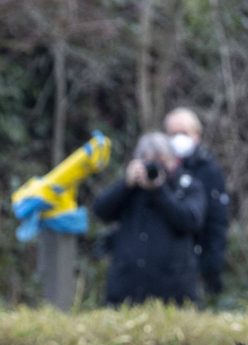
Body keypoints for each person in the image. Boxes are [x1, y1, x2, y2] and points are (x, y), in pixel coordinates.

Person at [93, 132, 206, 307]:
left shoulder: (186, 186)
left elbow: (190, 220)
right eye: (150, 161)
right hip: (126, 292)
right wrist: (125, 184)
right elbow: (100, 211)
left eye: (162, 161)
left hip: (174, 294)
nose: (156, 168)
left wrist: (159, 191)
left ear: (174, 160)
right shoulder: (131, 189)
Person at [164, 107, 229, 298]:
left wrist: (212, 265)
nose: (178, 138)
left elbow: (217, 221)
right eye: (173, 133)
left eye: (183, 133)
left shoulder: (209, 169)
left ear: (196, 136)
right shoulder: (159, 168)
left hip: (196, 257)